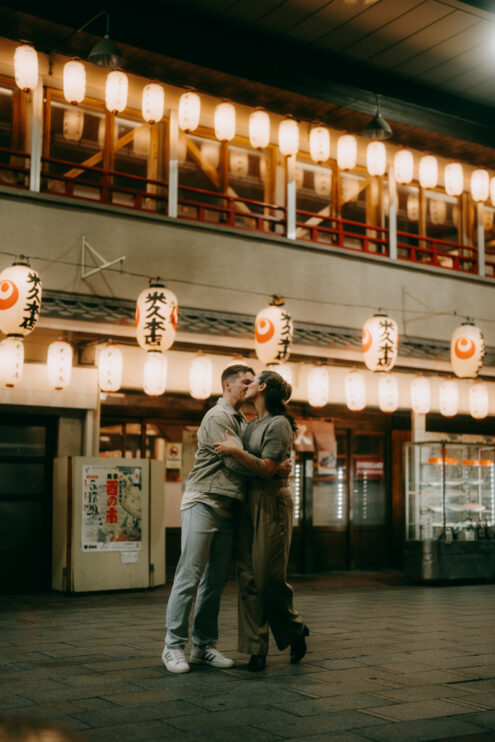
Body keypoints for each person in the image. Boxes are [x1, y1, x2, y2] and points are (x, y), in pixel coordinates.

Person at [162, 364, 291, 674]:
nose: (249, 386)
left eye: (252, 381)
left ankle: (203, 646)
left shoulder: (241, 421)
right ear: (228, 385)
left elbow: (245, 456)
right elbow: (234, 464)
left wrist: (269, 465)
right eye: (244, 382)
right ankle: (173, 646)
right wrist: (271, 468)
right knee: (189, 575)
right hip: (204, 501)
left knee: (215, 581)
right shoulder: (218, 417)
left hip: (229, 505)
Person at [213, 369, 309, 672]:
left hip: (271, 502)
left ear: (263, 387)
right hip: (247, 501)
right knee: (247, 578)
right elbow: (264, 465)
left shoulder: (278, 424)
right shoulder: (250, 424)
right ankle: (256, 650)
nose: (248, 385)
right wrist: (246, 457)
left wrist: (236, 451)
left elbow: (268, 469)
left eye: (252, 381)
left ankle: (294, 628)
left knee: (268, 578)